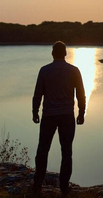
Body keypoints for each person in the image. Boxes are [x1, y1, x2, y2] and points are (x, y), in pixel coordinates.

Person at [32, 41, 86, 195]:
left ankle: (37, 184)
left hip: (49, 115)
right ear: (65, 53)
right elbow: (81, 94)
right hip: (67, 116)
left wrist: (34, 112)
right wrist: (81, 113)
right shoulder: (74, 71)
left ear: (52, 53)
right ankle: (64, 187)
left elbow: (38, 94)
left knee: (42, 150)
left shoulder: (44, 70)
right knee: (67, 151)